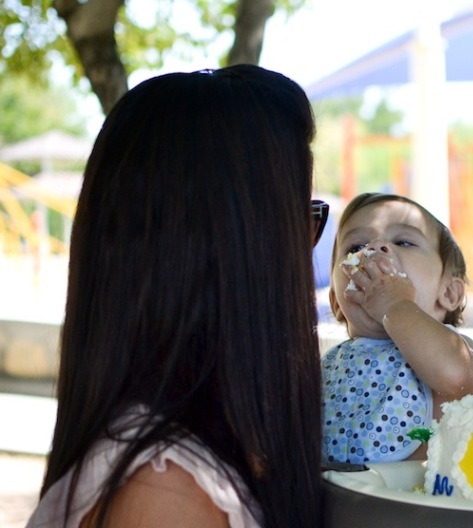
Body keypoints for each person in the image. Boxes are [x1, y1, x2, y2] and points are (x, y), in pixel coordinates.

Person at [27, 65, 327, 528]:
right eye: (299, 218)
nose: (304, 253)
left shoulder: (178, 464)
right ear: (239, 249)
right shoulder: (166, 494)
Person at [321, 192, 473, 465]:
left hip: (412, 501)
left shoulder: (450, 348)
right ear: (337, 302)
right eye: (355, 247)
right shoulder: (330, 364)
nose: (374, 250)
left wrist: (394, 306)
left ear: (449, 294)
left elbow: (457, 377)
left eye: (403, 241)